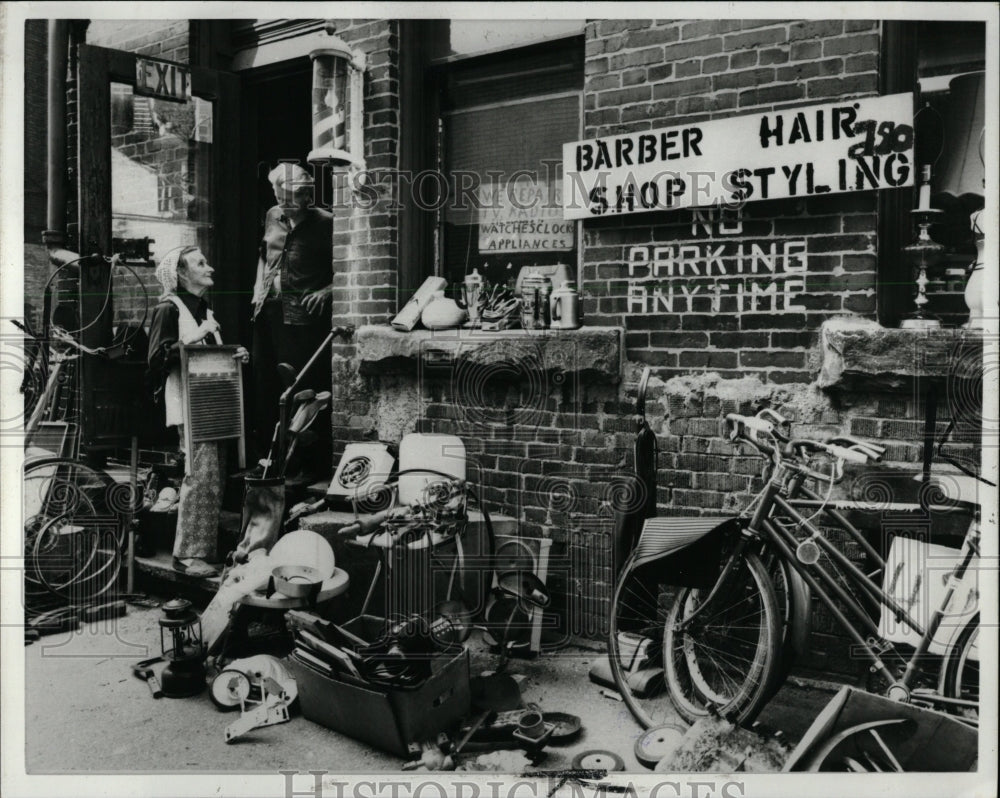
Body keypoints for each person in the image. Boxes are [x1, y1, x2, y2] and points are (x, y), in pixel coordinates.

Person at [148, 246, 250, 576]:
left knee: (212, 481)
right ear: (180, 274)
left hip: (210, 404)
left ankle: (201, 552)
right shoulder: (168, 307)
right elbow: (156, 361)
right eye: (201, 263)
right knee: (199, 479)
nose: (211, 268)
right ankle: (186, 556)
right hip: (189, 406)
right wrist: (198, 336)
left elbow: (206, 356)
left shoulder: (202, 308)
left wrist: (233, 354)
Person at [251, 162, 334, 472]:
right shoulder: (273, 215)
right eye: (277, 195)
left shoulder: (326, 223)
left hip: (301, 320)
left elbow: (345, 270)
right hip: (267, 311)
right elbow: (264, 254)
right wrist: (258, 288)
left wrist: (327, 291)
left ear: (305, 197)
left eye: (287, 198)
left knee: (300, 389)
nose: (281, 203)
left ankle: (299, 462)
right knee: (266, 384)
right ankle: (268, 459)